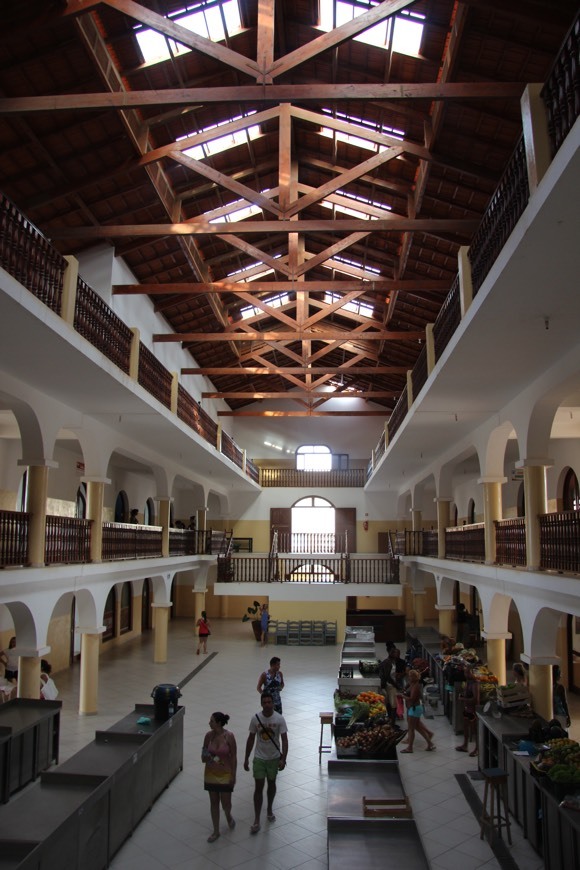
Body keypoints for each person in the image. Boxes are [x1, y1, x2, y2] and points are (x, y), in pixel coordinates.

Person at [244, 691, 288, 835]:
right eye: (265, 702)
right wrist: (246, 757)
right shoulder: (255, 719)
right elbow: (251, 738)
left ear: (273, 703)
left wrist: (283, 759)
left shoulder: (279, 719)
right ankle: (256, 819)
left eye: (270, 702)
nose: (267, 705)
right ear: (261, 703)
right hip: (259, 757)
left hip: (274, 758)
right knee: (258, 786)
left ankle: (269, 808)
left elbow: (285, 740)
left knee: (271, 783)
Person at [201, 711, 237, 843]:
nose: (209, 723)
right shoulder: (208, 736)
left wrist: (233, 774)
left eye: (211, 721)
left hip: (225, 774)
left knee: (226, 802)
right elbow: (204, 753)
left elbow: (233, 756)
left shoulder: (229, 736)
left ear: (219, 723)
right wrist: (205, 757)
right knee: (214, 802)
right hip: (211, 774)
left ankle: (228, 815)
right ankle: (216, 831)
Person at [399, 669, 435, 753]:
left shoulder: (416, 686)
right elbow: (406, 687)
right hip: (413, 708)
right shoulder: (412, 684)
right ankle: (430, 742)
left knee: (411, 729)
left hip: (414, 708)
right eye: (409, 676)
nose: (409, 677)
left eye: (411, 676)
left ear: (415, 677)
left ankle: (410, 747)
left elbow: (412, 699)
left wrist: (402, 696)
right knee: (417, 727)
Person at [456, 664, 479, 756]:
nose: (466, 674)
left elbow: (475, 699)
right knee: (465, 727)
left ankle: (477, 749)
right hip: (466, 709)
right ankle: (465, 745)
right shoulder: (468, 682)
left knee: (474, 730)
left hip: (473, 710)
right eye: (465, 672)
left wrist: (463, 699)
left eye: (467, 673)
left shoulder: (475, 684)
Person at [378, 645, 399, 725]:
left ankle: (391, 721)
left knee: (389, 703)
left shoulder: (391, 661)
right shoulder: (388, 662)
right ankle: (392, 722)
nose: (397, 654)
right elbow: (387, 676)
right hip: (389, 686)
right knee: (393, 704)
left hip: (389, 685)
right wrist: (396, 685)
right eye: (395, 653)